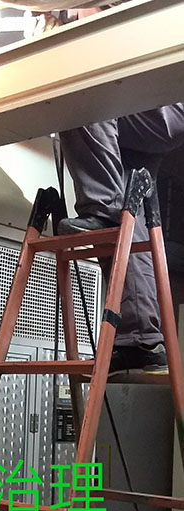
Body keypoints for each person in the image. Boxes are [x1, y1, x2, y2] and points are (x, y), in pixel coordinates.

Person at [58, 104, 184, 374]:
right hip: (145, 111)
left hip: (164, 102)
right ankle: (142, 342)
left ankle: (103, 209)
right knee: (129, 217)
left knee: (83, 102)